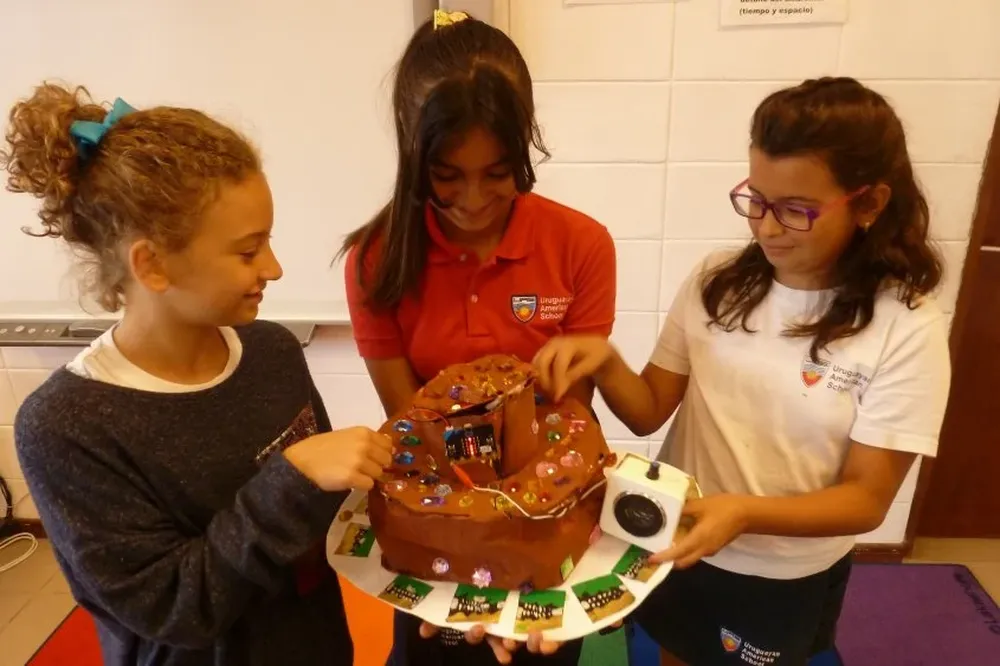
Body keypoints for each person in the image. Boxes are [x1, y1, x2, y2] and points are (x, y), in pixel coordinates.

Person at [532, 77, 952, 666]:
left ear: (870, 204)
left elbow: (866, 499)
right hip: (679, 537)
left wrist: (744, 512)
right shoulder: (718, 281)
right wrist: (604, 360)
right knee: (673, 651)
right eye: (756, 199)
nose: (766, 227)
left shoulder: (905, 326)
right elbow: (650, 407)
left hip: (780, 572)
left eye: (796, 210)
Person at [2, 83, 394, 666]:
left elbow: (332, 526)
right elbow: (174, 608)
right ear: (153, 264)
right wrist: (293, 478)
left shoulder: (272, 352)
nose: (274, 268)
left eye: (269, 241)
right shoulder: (64, 427)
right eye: (246, 251)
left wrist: (447, 587)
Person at [340, 9, 617, 666]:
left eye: (497, 172)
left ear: (525, 143)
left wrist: (510, 542)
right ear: (414, 153)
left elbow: (567, 421)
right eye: (446, 175)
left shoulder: (581, 244)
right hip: (441, 526)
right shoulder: (376, 259)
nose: (472, 200)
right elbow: (411, 424)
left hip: (540, 529)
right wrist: (474, 550)